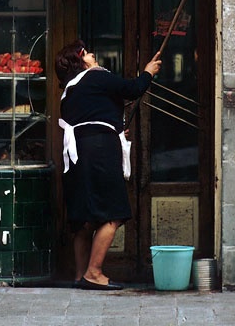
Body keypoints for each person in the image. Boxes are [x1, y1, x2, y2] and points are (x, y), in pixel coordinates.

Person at [55, 39, 161, 290]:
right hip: (99, 151)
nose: (92, 54)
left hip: (78, 152)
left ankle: (80, 275)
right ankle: (94, 273)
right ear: (80, 61)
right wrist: (148, 72)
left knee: (83, 219)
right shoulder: (95, 77)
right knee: (113, 213)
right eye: (87, 53)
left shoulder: (69, 90)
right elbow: (133, 88)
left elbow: (94, 114)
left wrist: (111, 125)